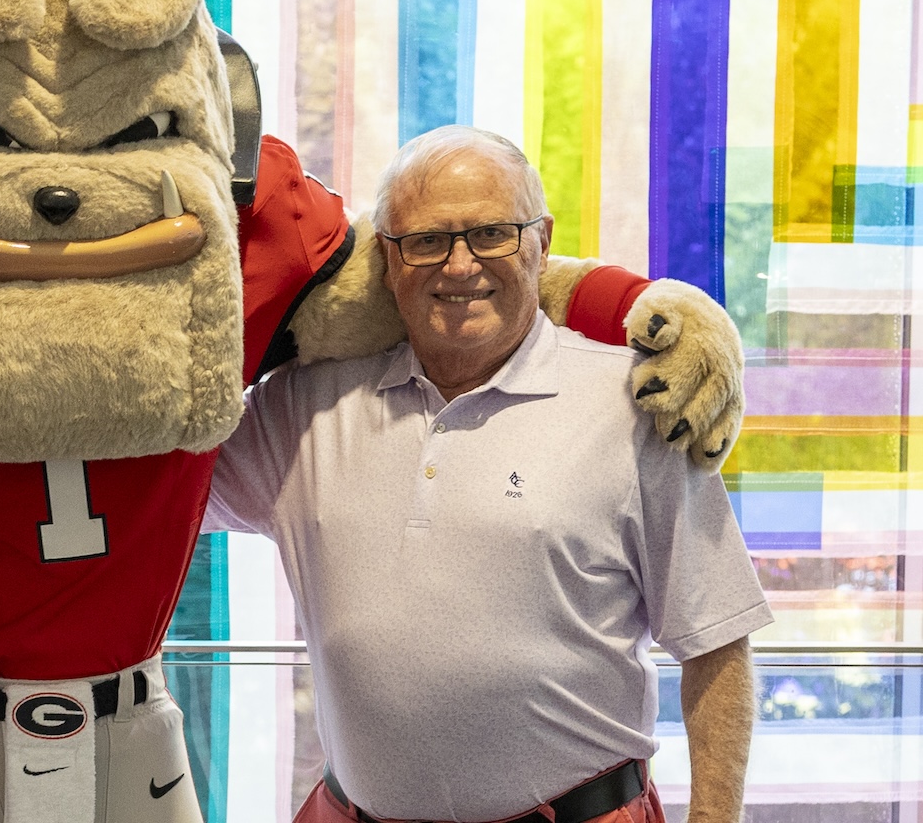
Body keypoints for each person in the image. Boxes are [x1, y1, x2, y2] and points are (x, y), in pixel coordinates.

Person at [209, 125, 772, 823]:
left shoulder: (636, 406)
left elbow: (716, 647)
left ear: (541, 243)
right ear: (385, 259)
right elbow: (153, 489)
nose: (459, 265)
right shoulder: (301, 407)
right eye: (426, 241)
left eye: (492, 234)